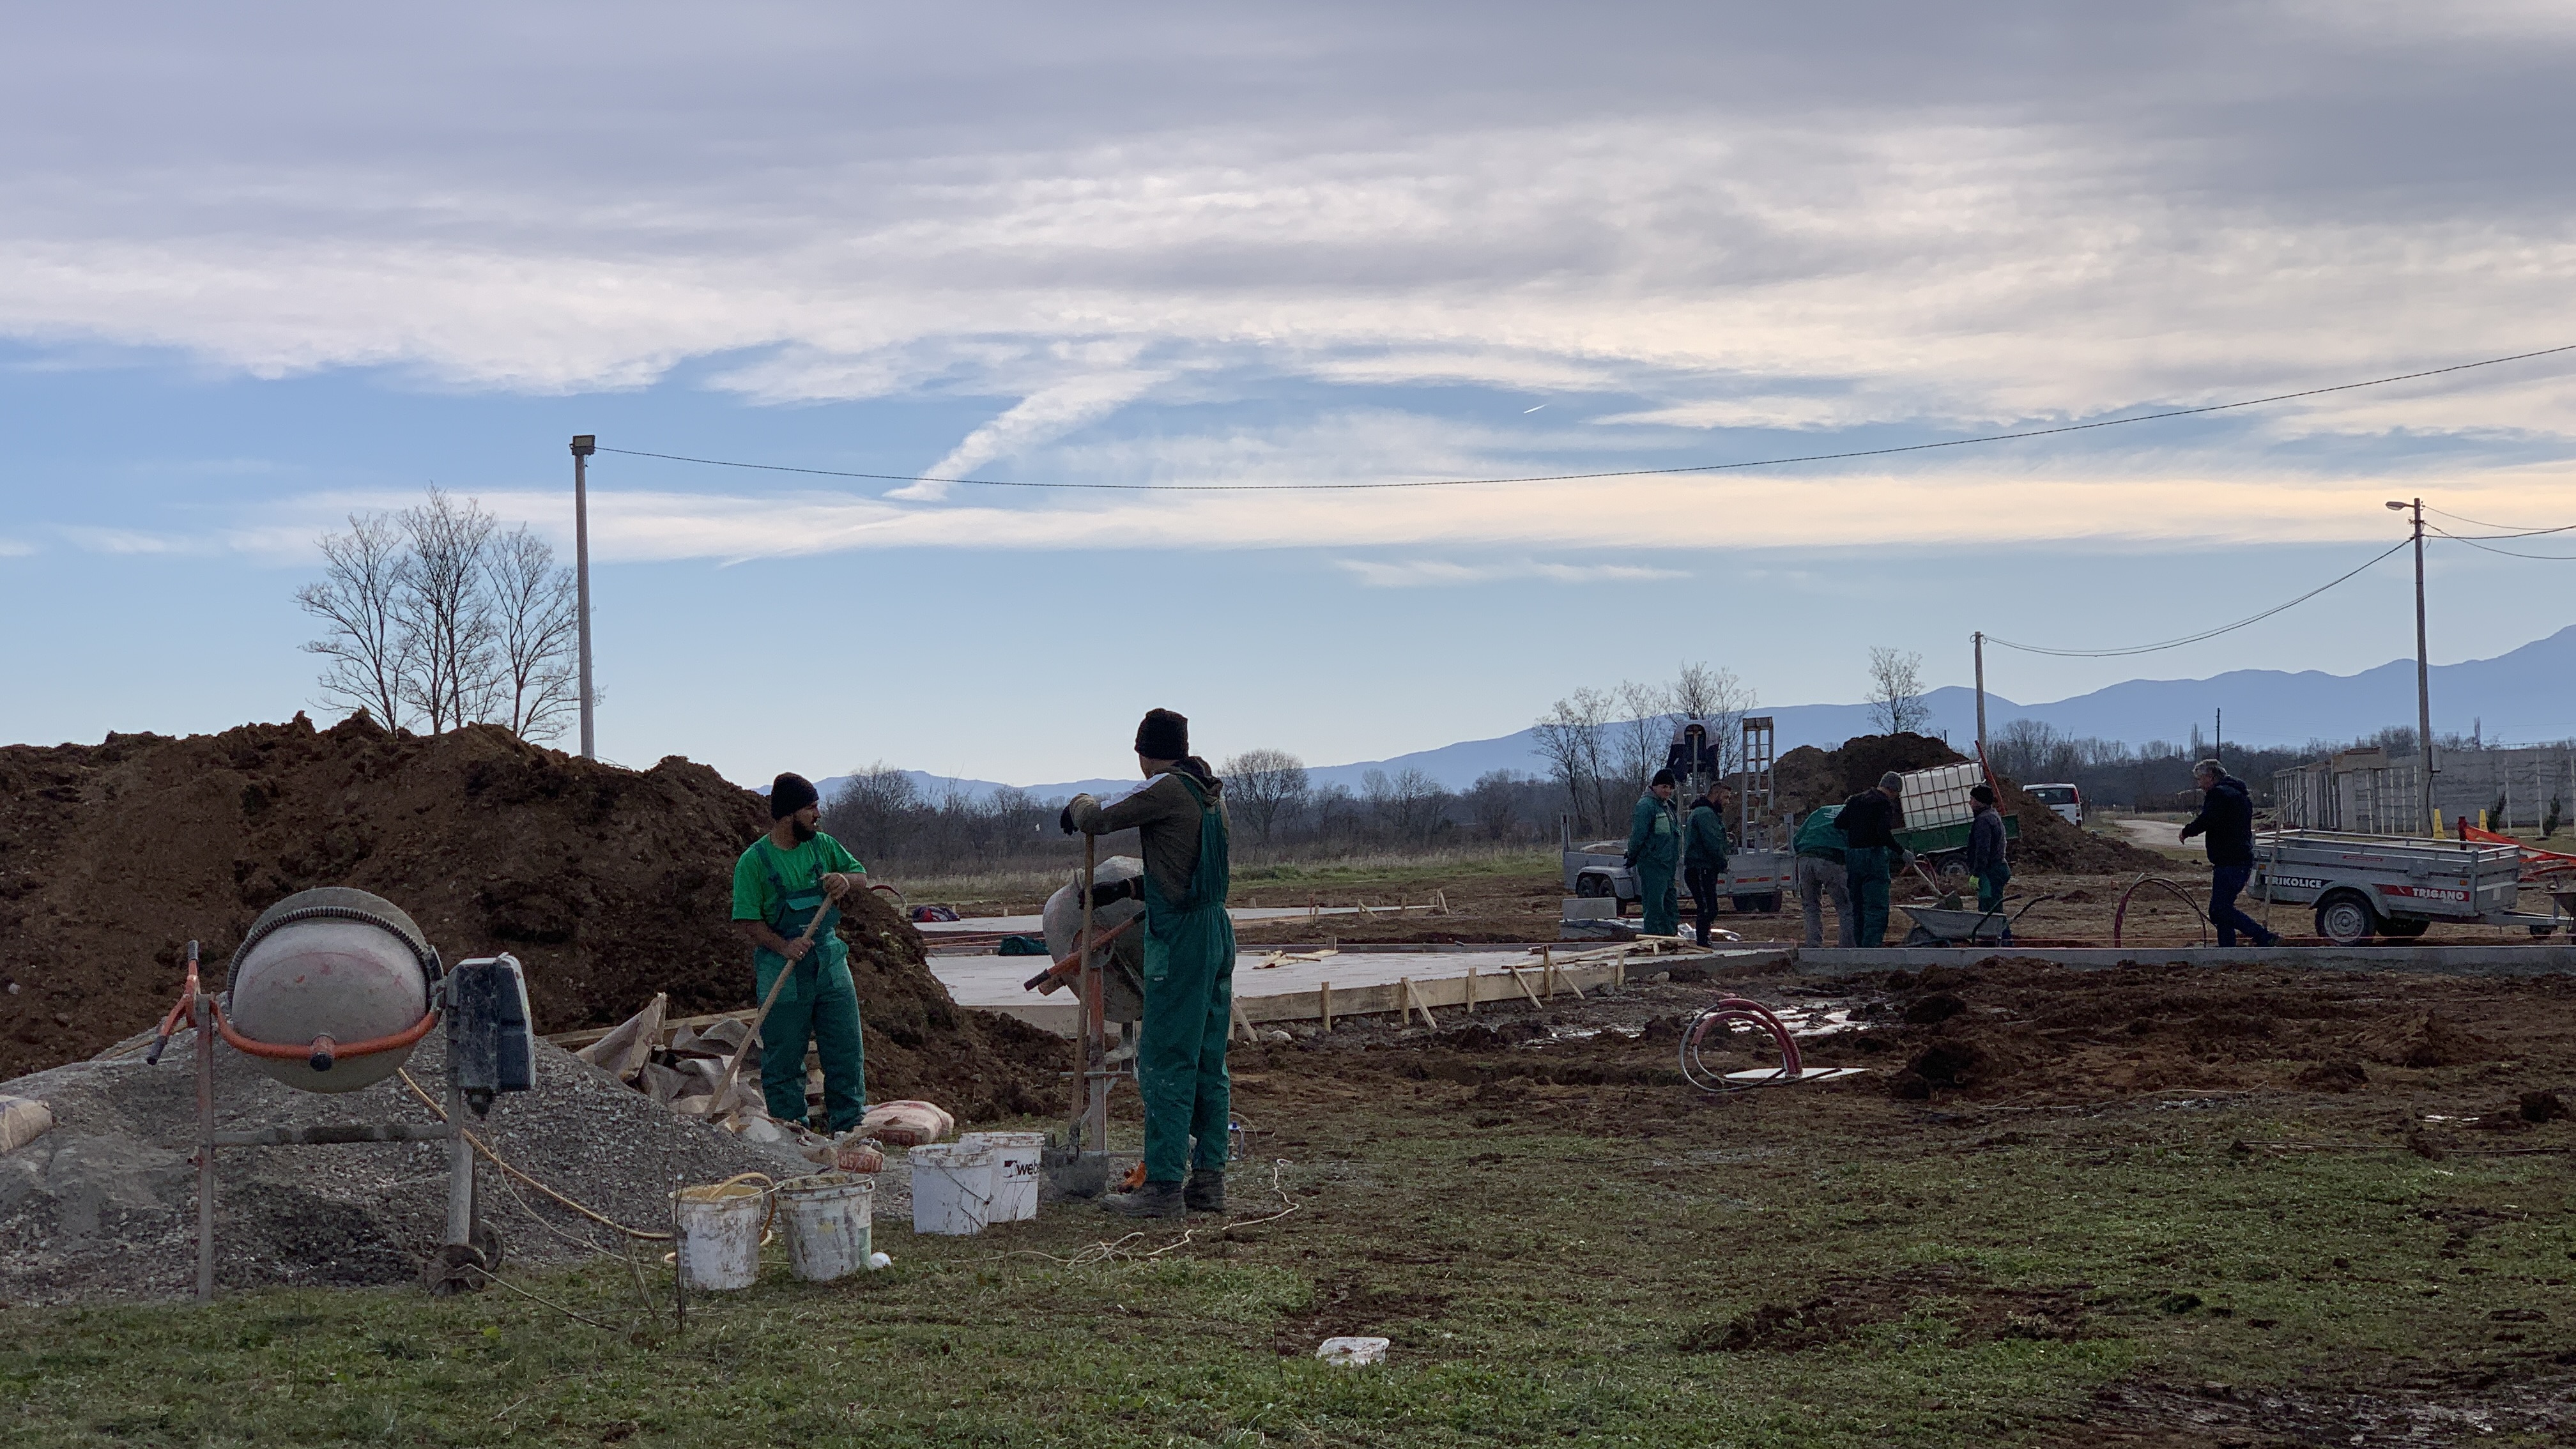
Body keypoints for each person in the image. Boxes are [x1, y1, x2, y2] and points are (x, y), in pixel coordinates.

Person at [1062, 709, 1236, 1218]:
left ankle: (1162, 1187)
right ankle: (1208, 1183)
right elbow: (1185, 869)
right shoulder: (1210, 794)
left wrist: (1078, 805)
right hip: (1214, 932)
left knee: (1164, 1059)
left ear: (1143, 752)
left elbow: (1098, 819)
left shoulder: (1164, 788)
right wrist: (1131, 888)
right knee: (1208, 1060)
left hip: (1181, 940)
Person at [730, 772, 871, 1132]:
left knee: (845, 1050)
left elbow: (861, 876)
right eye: (811, 808)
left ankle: (849, 1128)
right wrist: (784, 946)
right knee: (784, 1056)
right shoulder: (754, 862)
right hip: (783, 968)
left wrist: (844, 879)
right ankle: (791, 1134)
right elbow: (747, 920)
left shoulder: (822, 846)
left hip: (830, 962)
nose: (818, 815)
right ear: (790, 814)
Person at [2179, 758, 2280, 947]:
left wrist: (2187, 831)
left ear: (2210, 777)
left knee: (2219, 909)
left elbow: (2207, 819)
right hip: (2240, 859)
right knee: (2222, 908)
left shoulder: (2219, 795)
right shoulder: (2240, 794)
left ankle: (2263, 937)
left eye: (2200, 780)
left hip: (2230, 861)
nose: (2199, 785)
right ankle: (2227, 948)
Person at [1836, 772, 1905, 947]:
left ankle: (1858, 948)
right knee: (1876, 906)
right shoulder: (1883, 804)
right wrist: (1901, 851)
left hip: (1854, 857)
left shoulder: (1855, 800)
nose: (1896, 797)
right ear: (1893, 789)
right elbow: (1883, 833)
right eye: (1897, 794)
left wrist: (1857, 827)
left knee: (1857, 907)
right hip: (1873, 857)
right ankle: (1871, 949)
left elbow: (1839, 823)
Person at [1625, 769, 1684, 937]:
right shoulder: (1645, 806)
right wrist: (1632, 855)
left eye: (1671, 788)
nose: (1668, 791)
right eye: (1664, 786)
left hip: (1668, 865)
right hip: (1653, 864)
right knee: (1655, 904)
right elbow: (1638, 835)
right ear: (1655, 786)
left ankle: (1670, 938)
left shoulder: (1668, 806)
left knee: (1670, 904)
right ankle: (1654, 939)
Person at [1792, 804, 1854, 948]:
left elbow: (1797, 838)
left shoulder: (1821, 811)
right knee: (1846, 907)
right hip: (1830, 858)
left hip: (1805, 858)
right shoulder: (1855, 814)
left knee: (1810, 906)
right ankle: (1847, 948)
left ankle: (1813, 945)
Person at [1683, 783, 1731, 947]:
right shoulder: (1705, 814)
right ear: (1716, 794)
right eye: (1725, 797)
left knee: (1708, 907)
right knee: (1707, 908)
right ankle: (1703, 943)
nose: (1728, 802)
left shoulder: (1706, 813)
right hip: (1701, 868)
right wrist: (1722, 861)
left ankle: (1704, 941)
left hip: (1703, 868)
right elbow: (1712, 842)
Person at [1966, 783, 2011, 939]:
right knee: (1993, 907)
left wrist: (1977, 873)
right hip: (1998, 868)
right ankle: (1998, 940)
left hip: (1991, 872)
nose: (1970, 802)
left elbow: (1983, 850)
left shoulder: (1984, 821)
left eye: (1972, 799)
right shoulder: (1992, 815)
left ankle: (2002, 942)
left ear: (1979, 801)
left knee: (1990, 910)